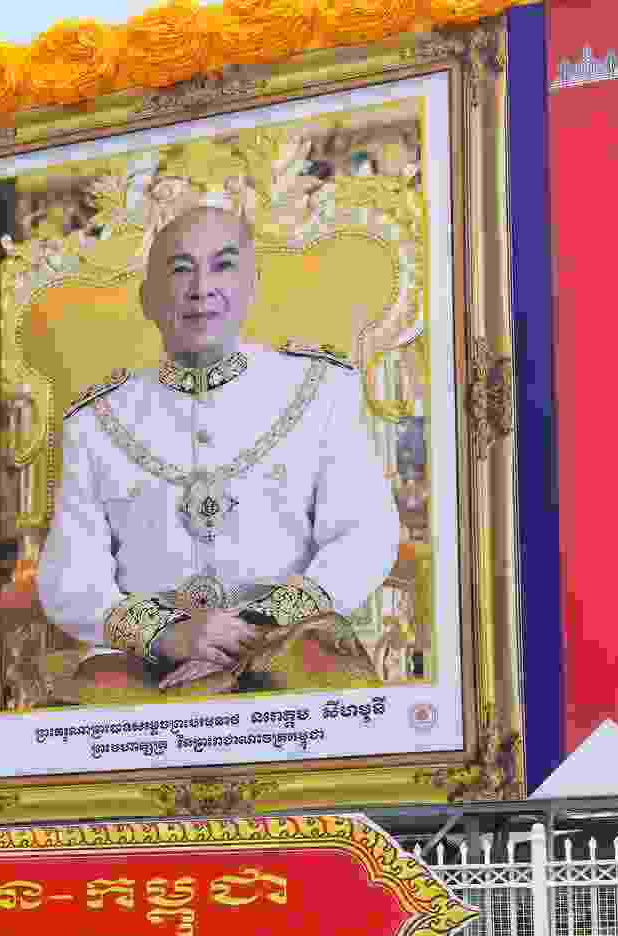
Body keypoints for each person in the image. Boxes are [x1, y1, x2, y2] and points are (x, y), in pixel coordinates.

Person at [36, 196, 403, 697]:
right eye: (180, 270)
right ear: (147, 299)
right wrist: (169, 635)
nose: (201, 288)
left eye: (223, 266)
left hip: (290, 641)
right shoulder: (94, 420)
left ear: (252, 286)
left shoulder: (322, 388)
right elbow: (69, 576)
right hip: (146, 661)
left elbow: (363, 536)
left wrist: (247, 630)